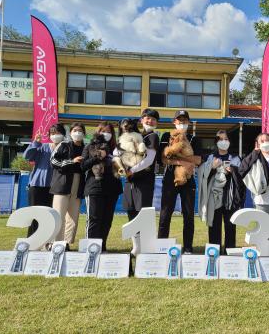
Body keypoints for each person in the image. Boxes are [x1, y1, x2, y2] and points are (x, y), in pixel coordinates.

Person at [158, 110, 202, 254]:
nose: (182, 123)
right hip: (170, 178)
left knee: (188, 215)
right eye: (179, 120)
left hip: (188, 179)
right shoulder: (166, 136)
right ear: (174, 122)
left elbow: (198, 160)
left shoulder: (194, 138)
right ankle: (162, 246)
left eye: (185, 121)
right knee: (165, 214)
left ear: (188, 123)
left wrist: (175, 157)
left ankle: (188, 247)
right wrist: (182, 160)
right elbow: (163, 159)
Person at [198, 130, 245, 253]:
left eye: (226, 139)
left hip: (229, 197)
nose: (224, 142)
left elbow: (241, 176)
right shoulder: (210, 157)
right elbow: (203, 175)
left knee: (230, 226)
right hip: (214, 196)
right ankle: (214, 252)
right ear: (216, 142)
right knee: (214, 225)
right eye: (220, 139)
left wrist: (232, 170)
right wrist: (212, 168)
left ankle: (230, 252)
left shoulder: (235, 158)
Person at [122, 109, 160, 255]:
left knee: (142, 213)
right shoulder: (134, 136)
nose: (149, 121)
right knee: (130, 211)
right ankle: (136, 246)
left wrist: (132, 170)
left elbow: (149, 160)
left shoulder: (153, 137)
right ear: (141, 120)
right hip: (129, 181)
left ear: (156, 123)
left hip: (144, 180)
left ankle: (146, 245)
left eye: (153, 119)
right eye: (147, 118)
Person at [80, 122, 122, 252]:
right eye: (103, 131)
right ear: (98, 132)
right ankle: (91, 249)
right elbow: (83, 166)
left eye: (109, 131)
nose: (106, 134)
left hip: (112, 188)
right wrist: (98, 156)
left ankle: (102, 247)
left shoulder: (117, 148)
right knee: (94, 219)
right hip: (94, 188)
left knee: (107, 220)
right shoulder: (89, 147)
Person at [23, 123, 66, 237]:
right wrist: (36, 142)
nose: (55, 135)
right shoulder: (43, 147)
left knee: (51, 217)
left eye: (58, 133)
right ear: (49, 135)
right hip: (37, 186)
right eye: (52, 133)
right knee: (34, 216)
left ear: (63, 135)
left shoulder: (66, 148)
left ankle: (47, 241)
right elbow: (27, 156)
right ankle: (31, 241)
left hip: (55, 188)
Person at [50, 122, 86, 249]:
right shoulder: (64, 144)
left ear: (84, 133)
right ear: (70, 133)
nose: (77, 132)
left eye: (80, 130)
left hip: (78, 183)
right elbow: (53, 161)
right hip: (62, 183)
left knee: (73, 216)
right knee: (58, 214)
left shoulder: (86, 147)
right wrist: (71, 161)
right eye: (74, 130)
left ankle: (66, 243)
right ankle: (55, 242)